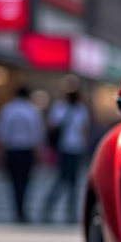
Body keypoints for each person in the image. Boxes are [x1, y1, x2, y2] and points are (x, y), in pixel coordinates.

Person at [0, 85, 45, 223]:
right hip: (26, 149)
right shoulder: (32, 110)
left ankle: (17, 208)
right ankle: (22, 208)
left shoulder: (8, 109)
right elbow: (37, 134)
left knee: (14, 181)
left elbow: (0, 133)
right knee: (25, 181)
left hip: (12, 149)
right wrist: (39, 153)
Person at [42, 88, 90, 224]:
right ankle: (63, 210)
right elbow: (84, 131)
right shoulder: (74, 109)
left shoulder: (65, 108)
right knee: (67, 181)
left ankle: (63, 210)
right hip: (69, 148)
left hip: (70, 148)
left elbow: (51, 125)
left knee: (67, 181)